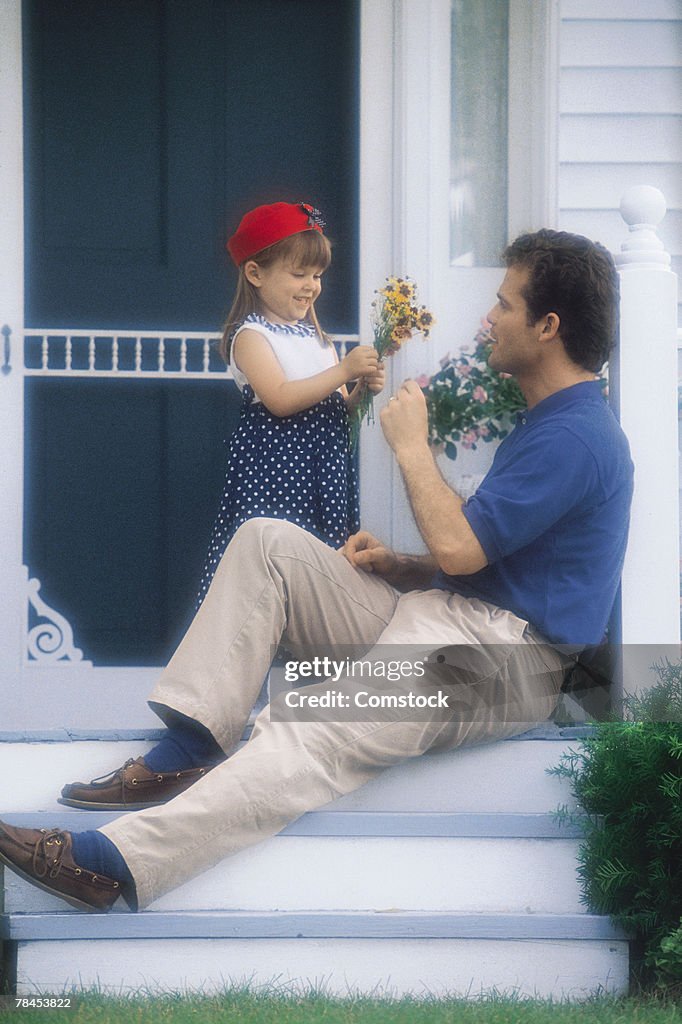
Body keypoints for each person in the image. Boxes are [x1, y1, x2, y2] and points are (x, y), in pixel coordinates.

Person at [0, 229, 633, 915]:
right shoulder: (550, 422)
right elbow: (481, 559)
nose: (490, 317)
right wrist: (402, 567)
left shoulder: (575, 435)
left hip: (501, 662)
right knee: (269, 542)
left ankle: (110, 863)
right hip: (448, 620)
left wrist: (413, 448)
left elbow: (462, 550)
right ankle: (191, 741)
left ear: (547, 325)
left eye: (505, 304)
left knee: (309, 721)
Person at [195, 201, 384, 610]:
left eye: (317, 275)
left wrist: (359, 393)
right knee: (271, 571)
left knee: (320, 574)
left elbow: (336, 409)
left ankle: (313, 653)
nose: (311, 285)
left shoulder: (317, 339)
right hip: (279, 471)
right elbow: (280, 399)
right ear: (255, 273)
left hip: (324, 470)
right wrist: (343, 370)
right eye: (298, 274)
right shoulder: (251, 336)